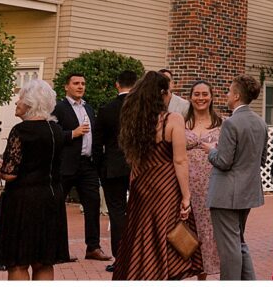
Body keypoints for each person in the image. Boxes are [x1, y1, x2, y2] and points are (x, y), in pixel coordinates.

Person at [113, 71, 203, 280]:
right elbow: (180, 160)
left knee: (142, 234)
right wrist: (186, 196)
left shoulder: (133, 120)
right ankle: (163, 274)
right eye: (169, 92)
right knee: (168, 234)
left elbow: (133, 159)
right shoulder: (173, 119)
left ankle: (144, 274)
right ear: (162, 93)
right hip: (166, 187)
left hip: (141, 184)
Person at [0, 79, 70, 279]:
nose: (16, 102)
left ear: (31, 103)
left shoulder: (21, 130)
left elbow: (9, 174)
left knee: (18, 261)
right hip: (51, 199)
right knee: (43, 261)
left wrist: (2, 166)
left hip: (23, 201)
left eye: (21, 99)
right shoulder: (57, 131)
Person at [202, 75, 268, 281]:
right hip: (248, 191)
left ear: (237, 96)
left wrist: (211, 150)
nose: (227, 95)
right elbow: (263, 158)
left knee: (229, 250)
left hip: (225, 194)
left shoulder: (231, 123)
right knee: (239, 243)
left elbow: (223, 161)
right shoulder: (261, 122)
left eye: (229, 91)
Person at [52, 73, 111, 262]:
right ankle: (57, 250)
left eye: (83, 83)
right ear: (66, 87)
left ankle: (93, 248)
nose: (80, 86)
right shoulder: (59, 108)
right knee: (57, 207)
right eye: (76, 83)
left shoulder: (88, 107)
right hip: (66, 165)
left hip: (87, 164)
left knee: (93, 205)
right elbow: (52, 134)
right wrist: (73, 133)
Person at [95, 69, 137, 272]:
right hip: (139, 166)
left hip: (112, 166)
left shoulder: (107, 109)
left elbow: (97, 143)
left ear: (117, 85)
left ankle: (121, 258)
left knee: (117, 212)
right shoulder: (142, 108)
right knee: (140, 211)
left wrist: (100, 166)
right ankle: (140, 256)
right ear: (135, 85)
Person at [184, 80, 224, 278]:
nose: (201, 98)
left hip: (212, 185)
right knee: (187, 231)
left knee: (210, 232)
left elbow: (228, 156)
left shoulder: (222, 123)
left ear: (211, 97)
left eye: (204, 94)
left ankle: (206, 275)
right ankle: (188, 271)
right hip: (186, 187)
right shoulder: (181, 123)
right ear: (190, 98)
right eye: (197, 94)